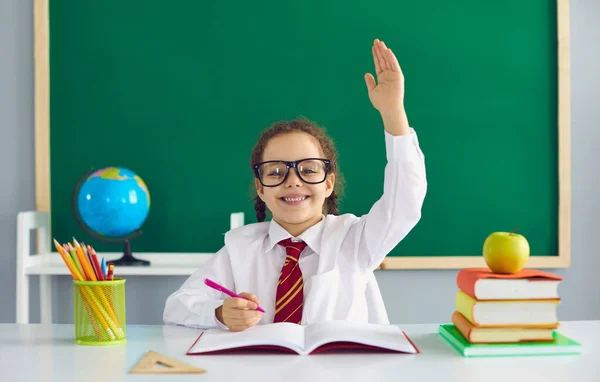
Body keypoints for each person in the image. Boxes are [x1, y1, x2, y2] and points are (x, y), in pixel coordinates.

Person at [163, 38, 427, 332]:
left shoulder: (355, 241)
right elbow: (178, 306)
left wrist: (393, 113)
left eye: (308, 170)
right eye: (276, 172)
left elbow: (405, 202)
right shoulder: (240, 249)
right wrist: (219, 314)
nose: (292, 181)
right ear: (261, 188)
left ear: (329, 183)